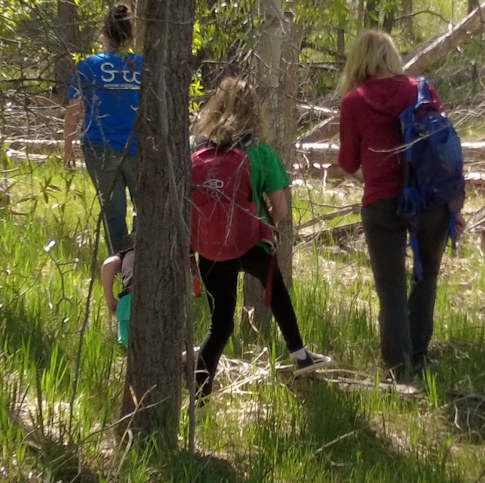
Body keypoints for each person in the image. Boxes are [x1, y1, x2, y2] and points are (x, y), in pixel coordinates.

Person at [189, 77, 330, 398]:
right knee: (277, 294)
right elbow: (279, 210)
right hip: (252, 241)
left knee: (219, 324)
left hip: (210, 247)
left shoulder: (197, 150)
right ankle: (300, 355)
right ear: (255, 111)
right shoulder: (260, 151)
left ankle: (198, 395)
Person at [336, 29, 464, 379]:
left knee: (390, 285)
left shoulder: (353, 101)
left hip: (382, 202)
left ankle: (397, 369)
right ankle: (420, 356)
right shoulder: (421, 89)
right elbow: (441, 148)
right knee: (427, 277)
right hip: (431, 199)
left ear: (358, 59)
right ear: (391, 55)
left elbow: (347, 162)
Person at [65, 3, 144, 252]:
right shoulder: (142, 65)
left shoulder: (88, 66)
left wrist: (67, 146)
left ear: (105, 33)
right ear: (131, 34)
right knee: (146, 207)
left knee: (113, 212)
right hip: (137, 147)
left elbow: (74, 108)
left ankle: (120, 263)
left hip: (99, 147)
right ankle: (139, 258)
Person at [99, 247, 136, 347]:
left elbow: (108, 265)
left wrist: (109, 299)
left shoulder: (129, 252)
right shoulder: (171, 249)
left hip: (130, 303)